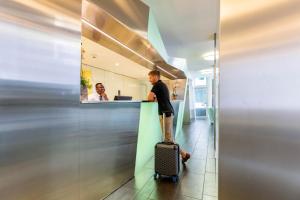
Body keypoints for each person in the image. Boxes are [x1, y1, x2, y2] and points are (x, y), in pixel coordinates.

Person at [148, 70, 190, 163]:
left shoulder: (157, 85)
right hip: (167, 112)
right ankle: (182, 155)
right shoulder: (162, 85)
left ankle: (183, 155)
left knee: (168, 139)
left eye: (150, 77)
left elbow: (150, 98)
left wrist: (154, 99)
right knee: (168, 138)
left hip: (166, 113)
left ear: (156, 76)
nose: (149, 80)